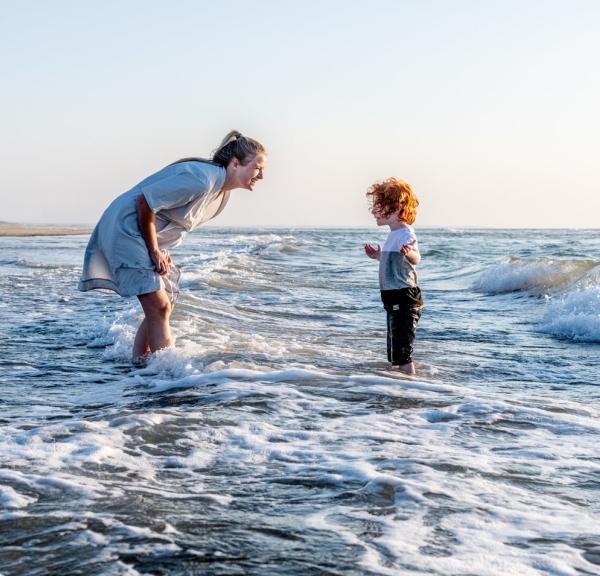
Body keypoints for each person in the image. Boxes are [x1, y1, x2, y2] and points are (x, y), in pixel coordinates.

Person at [79, 130, 267, 364]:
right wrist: (153, 250)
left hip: (143, 232)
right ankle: (162, 375)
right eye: (258, 168)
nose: (262, 175)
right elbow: (145, 202)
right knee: (158, 306)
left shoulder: (221, 195)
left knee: (165, 303)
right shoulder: (202, 179)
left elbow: (169, 217)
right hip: (125, 228)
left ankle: (140, 366)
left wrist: (160, 248)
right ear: (235, 163)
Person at [364, 178, 423, 374]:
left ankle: (410, 385)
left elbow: (416, 259)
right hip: (393, 298)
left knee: (403, 350)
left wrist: (409, 253)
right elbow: (393, 261)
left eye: (379, 206)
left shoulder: (406, 233)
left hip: (405, 297)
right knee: (394, 347)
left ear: (397, 207)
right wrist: (378, 256)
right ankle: (395, 384)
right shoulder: (392, 235)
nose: (373, 211)